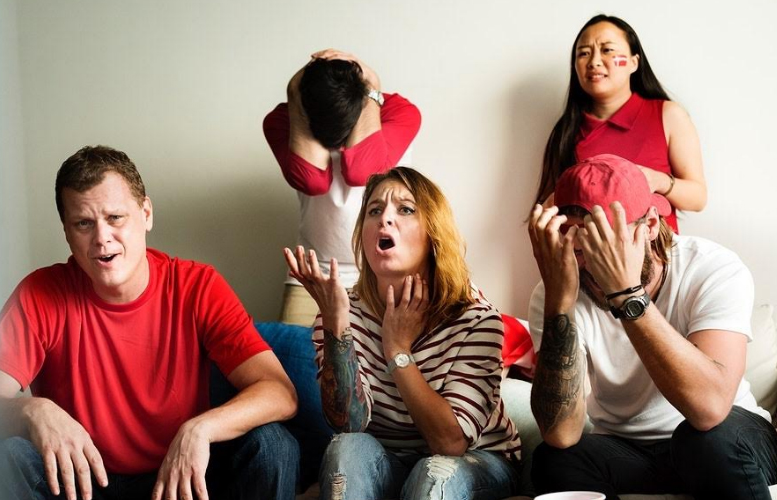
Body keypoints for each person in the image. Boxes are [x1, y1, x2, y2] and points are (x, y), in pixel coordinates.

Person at [0, 146, 299, 500]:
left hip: (181, 478)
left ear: (146, 214)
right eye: (84, 223)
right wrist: (32, 410)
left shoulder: (197, 286)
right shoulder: (39, 293)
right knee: (2, 457)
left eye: (115, 217)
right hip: (80, 482)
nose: (102, 238)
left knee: (273, 445)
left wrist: (201, 428)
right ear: (67, 232)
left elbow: (279, 392)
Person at [527, 154, 777, 499]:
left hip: (728, 436)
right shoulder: (557, 287)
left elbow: (710, 409)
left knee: (704, 441)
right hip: (630, 450)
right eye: (581, 251)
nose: (594, 268)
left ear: (650, 225)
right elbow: (561, 434)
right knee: (553, 460)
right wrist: (559, 303)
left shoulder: (712, 268)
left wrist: (627, 295)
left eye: (609, 247)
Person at [284, 167, 520, 500]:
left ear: (433, 232)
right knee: (345, 449)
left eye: (405, 209)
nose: (385, 219)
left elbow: (450, 443)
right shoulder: (340, 312)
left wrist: (397, 350)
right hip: (388, 460)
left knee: (433, 473)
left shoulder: (476, 319)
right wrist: (336, 324)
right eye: (374, 210)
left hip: (476, 461)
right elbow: (348, 424)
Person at [264, 49, 421, 327]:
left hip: (386, 276)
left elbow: (364, 172)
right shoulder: (282, 120)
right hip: (311, 277)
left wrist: (372, 89)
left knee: (386, 355)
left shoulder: (399, 112)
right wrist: (295, 96)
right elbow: (311, 180)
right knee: (294, 353)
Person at [534, 14, 706, 233]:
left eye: (607, 50)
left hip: (658, 253)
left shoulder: (668, 115)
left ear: (634, 62)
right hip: (586, 254)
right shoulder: (566, 130)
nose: (594, 61)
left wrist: (658, 181)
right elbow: (550, 208)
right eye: (584, 53)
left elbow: (698, 198)